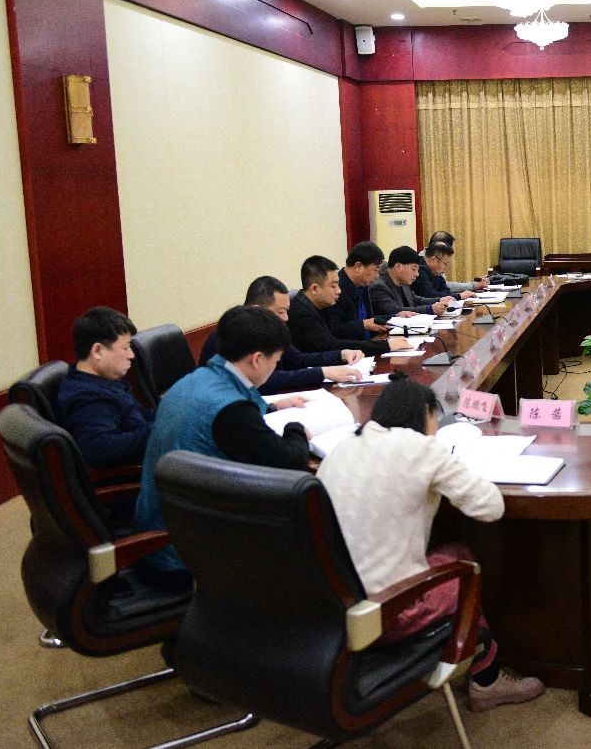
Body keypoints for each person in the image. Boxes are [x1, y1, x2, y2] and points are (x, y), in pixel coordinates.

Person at [317, 373, 545, 712]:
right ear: (426, 414)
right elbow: (491, 507)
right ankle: (487, 679)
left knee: (441, 552)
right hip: (387, 613)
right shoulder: (423, 449)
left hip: (331, 607)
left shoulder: (343, 447)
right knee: (462, 562)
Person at [134, 305, 312, 590]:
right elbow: (291, 463)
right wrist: (296, 429)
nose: (275, 367)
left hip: (162, 530)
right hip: (186, 552)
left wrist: (270, 407)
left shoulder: (197, 378)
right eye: (276, 360)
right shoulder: (233, 412)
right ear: (257, 360)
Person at [199, 276, 364, 393]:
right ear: (257, 309)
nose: (286, 318)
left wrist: (340, 355)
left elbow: (297, 359)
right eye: (280, 312)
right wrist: (323, 373)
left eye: (287, 311)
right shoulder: (230, 335)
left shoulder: (269, 331)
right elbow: (264, 381)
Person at [54, 306, 154, 471]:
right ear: (97, 351)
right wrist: (159, 431)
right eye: (125, 348)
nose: (131, 355)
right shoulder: (89, 399)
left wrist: (171, 419)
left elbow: (140, 414)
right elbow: (99, 449)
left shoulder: (105, 382)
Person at [288, 255, 411, 357]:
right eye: (333, 286)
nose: (339, 291)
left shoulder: (321, 304)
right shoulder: (302, 313)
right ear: (315, 289)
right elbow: (333, 345)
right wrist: (386, 345)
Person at [325, 241, 388, 340]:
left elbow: (368, 320)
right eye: (375, 270)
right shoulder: (336, 289)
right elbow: (334, 330)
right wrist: (363, 325)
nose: (377, 276)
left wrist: (395, 316)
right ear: (358, 266)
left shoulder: (362, 285)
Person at [371, 245, 450, 318]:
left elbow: (415, 300)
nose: (417, 274)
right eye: (413, 269)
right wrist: (429, 309)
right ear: (398, 267)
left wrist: (439, 300)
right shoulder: (378, 287)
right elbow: (395, 311)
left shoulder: (403, 282)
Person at [421, 231, 486, 294]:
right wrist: (472, 286)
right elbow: (438, 291)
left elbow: (444, 287)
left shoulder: (436, 262)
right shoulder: (422, 265)